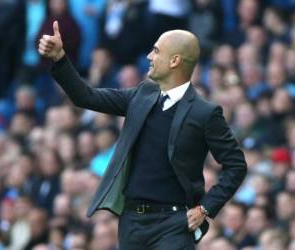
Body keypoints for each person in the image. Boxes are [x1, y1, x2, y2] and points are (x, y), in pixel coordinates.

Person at [38, 21, 247, 250]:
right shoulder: (142, 94)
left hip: (174, 224)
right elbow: (86, 97)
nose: (149, 56)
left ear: (174, 60)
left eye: (156, 51)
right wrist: (60, 59)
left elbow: (236, 165)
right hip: (131, 223)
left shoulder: (205, 113)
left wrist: (205, 208)